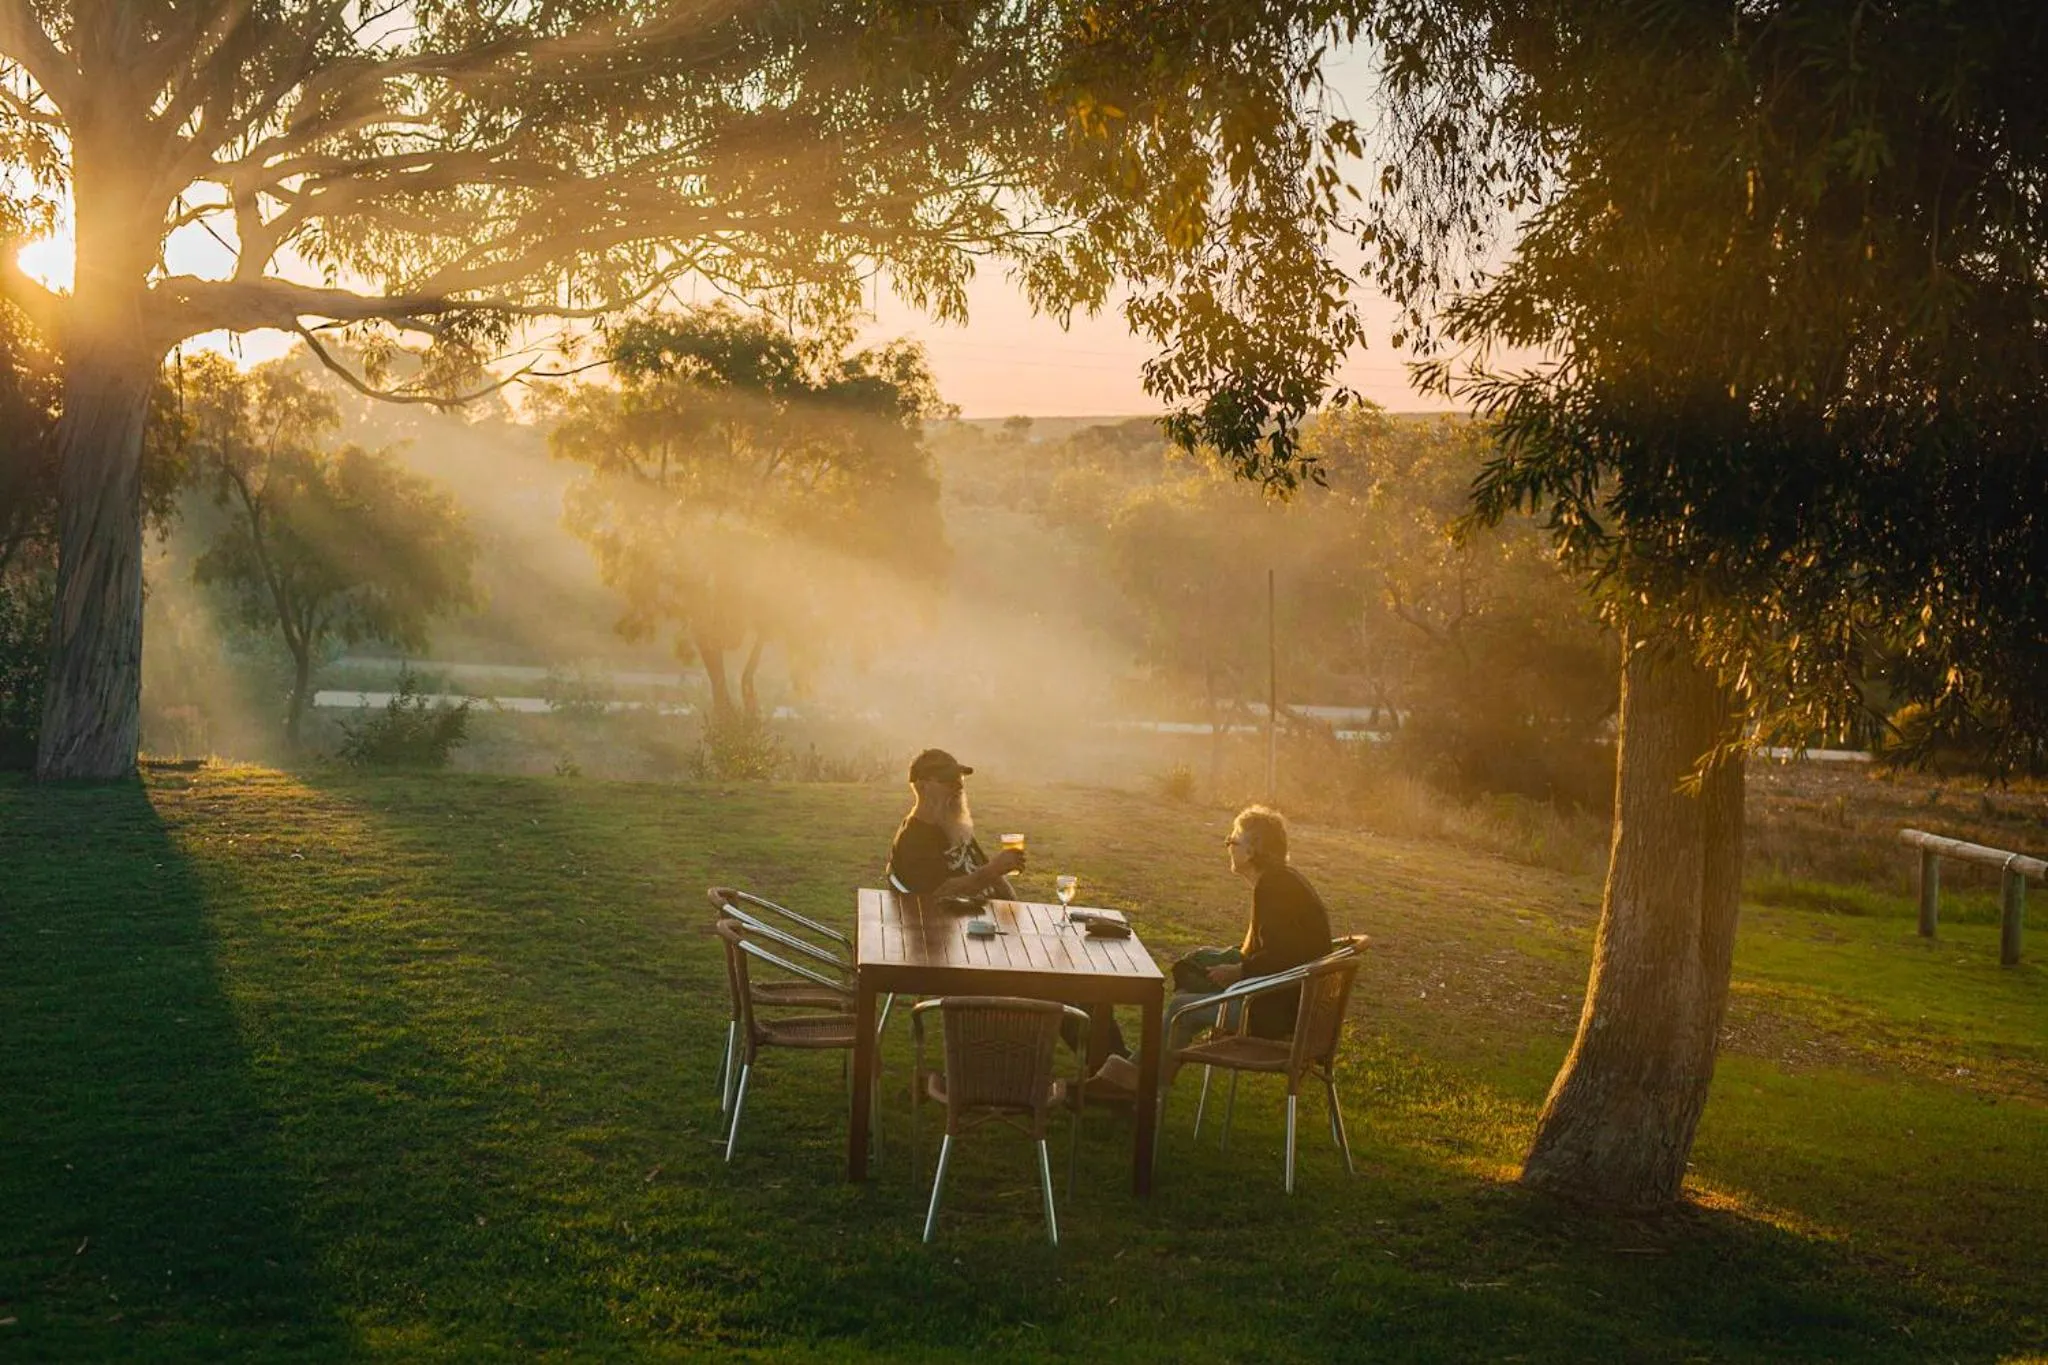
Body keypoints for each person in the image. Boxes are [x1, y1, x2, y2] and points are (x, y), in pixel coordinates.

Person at [884, 747, 1132, 1081]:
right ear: (924, 785)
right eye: (949, 780)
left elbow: (990, 877)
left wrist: (1017, 910)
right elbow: (936, 896)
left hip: (990, 933)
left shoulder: (954, 828)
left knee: (1084, 972)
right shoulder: (914, 838)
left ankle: (1112, 1069)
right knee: (1064, 983)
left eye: (960, 780)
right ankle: (1113, 1072)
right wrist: (992, 872)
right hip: (960, 951)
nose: (958, 787)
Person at [1163, 804, 1335, 1069]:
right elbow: (1285, 947)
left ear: (1253, 849)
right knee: (1191, 985)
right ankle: (1139, 1077)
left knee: (1180, 1009)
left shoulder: (1273, 887)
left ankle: (1141, 1085)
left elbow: (1284, 955)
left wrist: (1240, 970)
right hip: (1288, 1003)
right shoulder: (1282, 880)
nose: (1228, 845)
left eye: (1233, 840)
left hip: (1275, 1012)